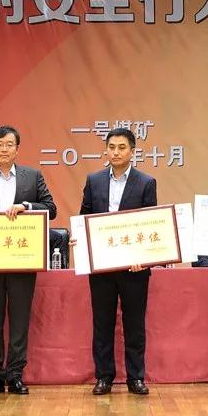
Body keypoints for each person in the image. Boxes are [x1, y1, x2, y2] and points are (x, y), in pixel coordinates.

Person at [0, 126, 57, 396]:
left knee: (19, 321)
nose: (4, 149)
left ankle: (16, 375)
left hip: (22, 261)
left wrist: (26, 206)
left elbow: (51, 209)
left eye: (9, 144)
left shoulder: (33, 176)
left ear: (17, 149)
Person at [78, 127, 156, 396]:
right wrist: (80, 239)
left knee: (134, 325)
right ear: (106, 150)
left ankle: (136, 377)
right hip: (102, 267)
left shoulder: (146, 182)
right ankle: (104, 377)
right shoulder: (94, 180)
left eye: (122, 147)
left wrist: (144, 258)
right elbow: (85, 217)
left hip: (135, 268)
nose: (116, 152)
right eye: (111, 147)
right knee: (102, 324)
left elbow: (150, 224)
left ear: (132, 151)